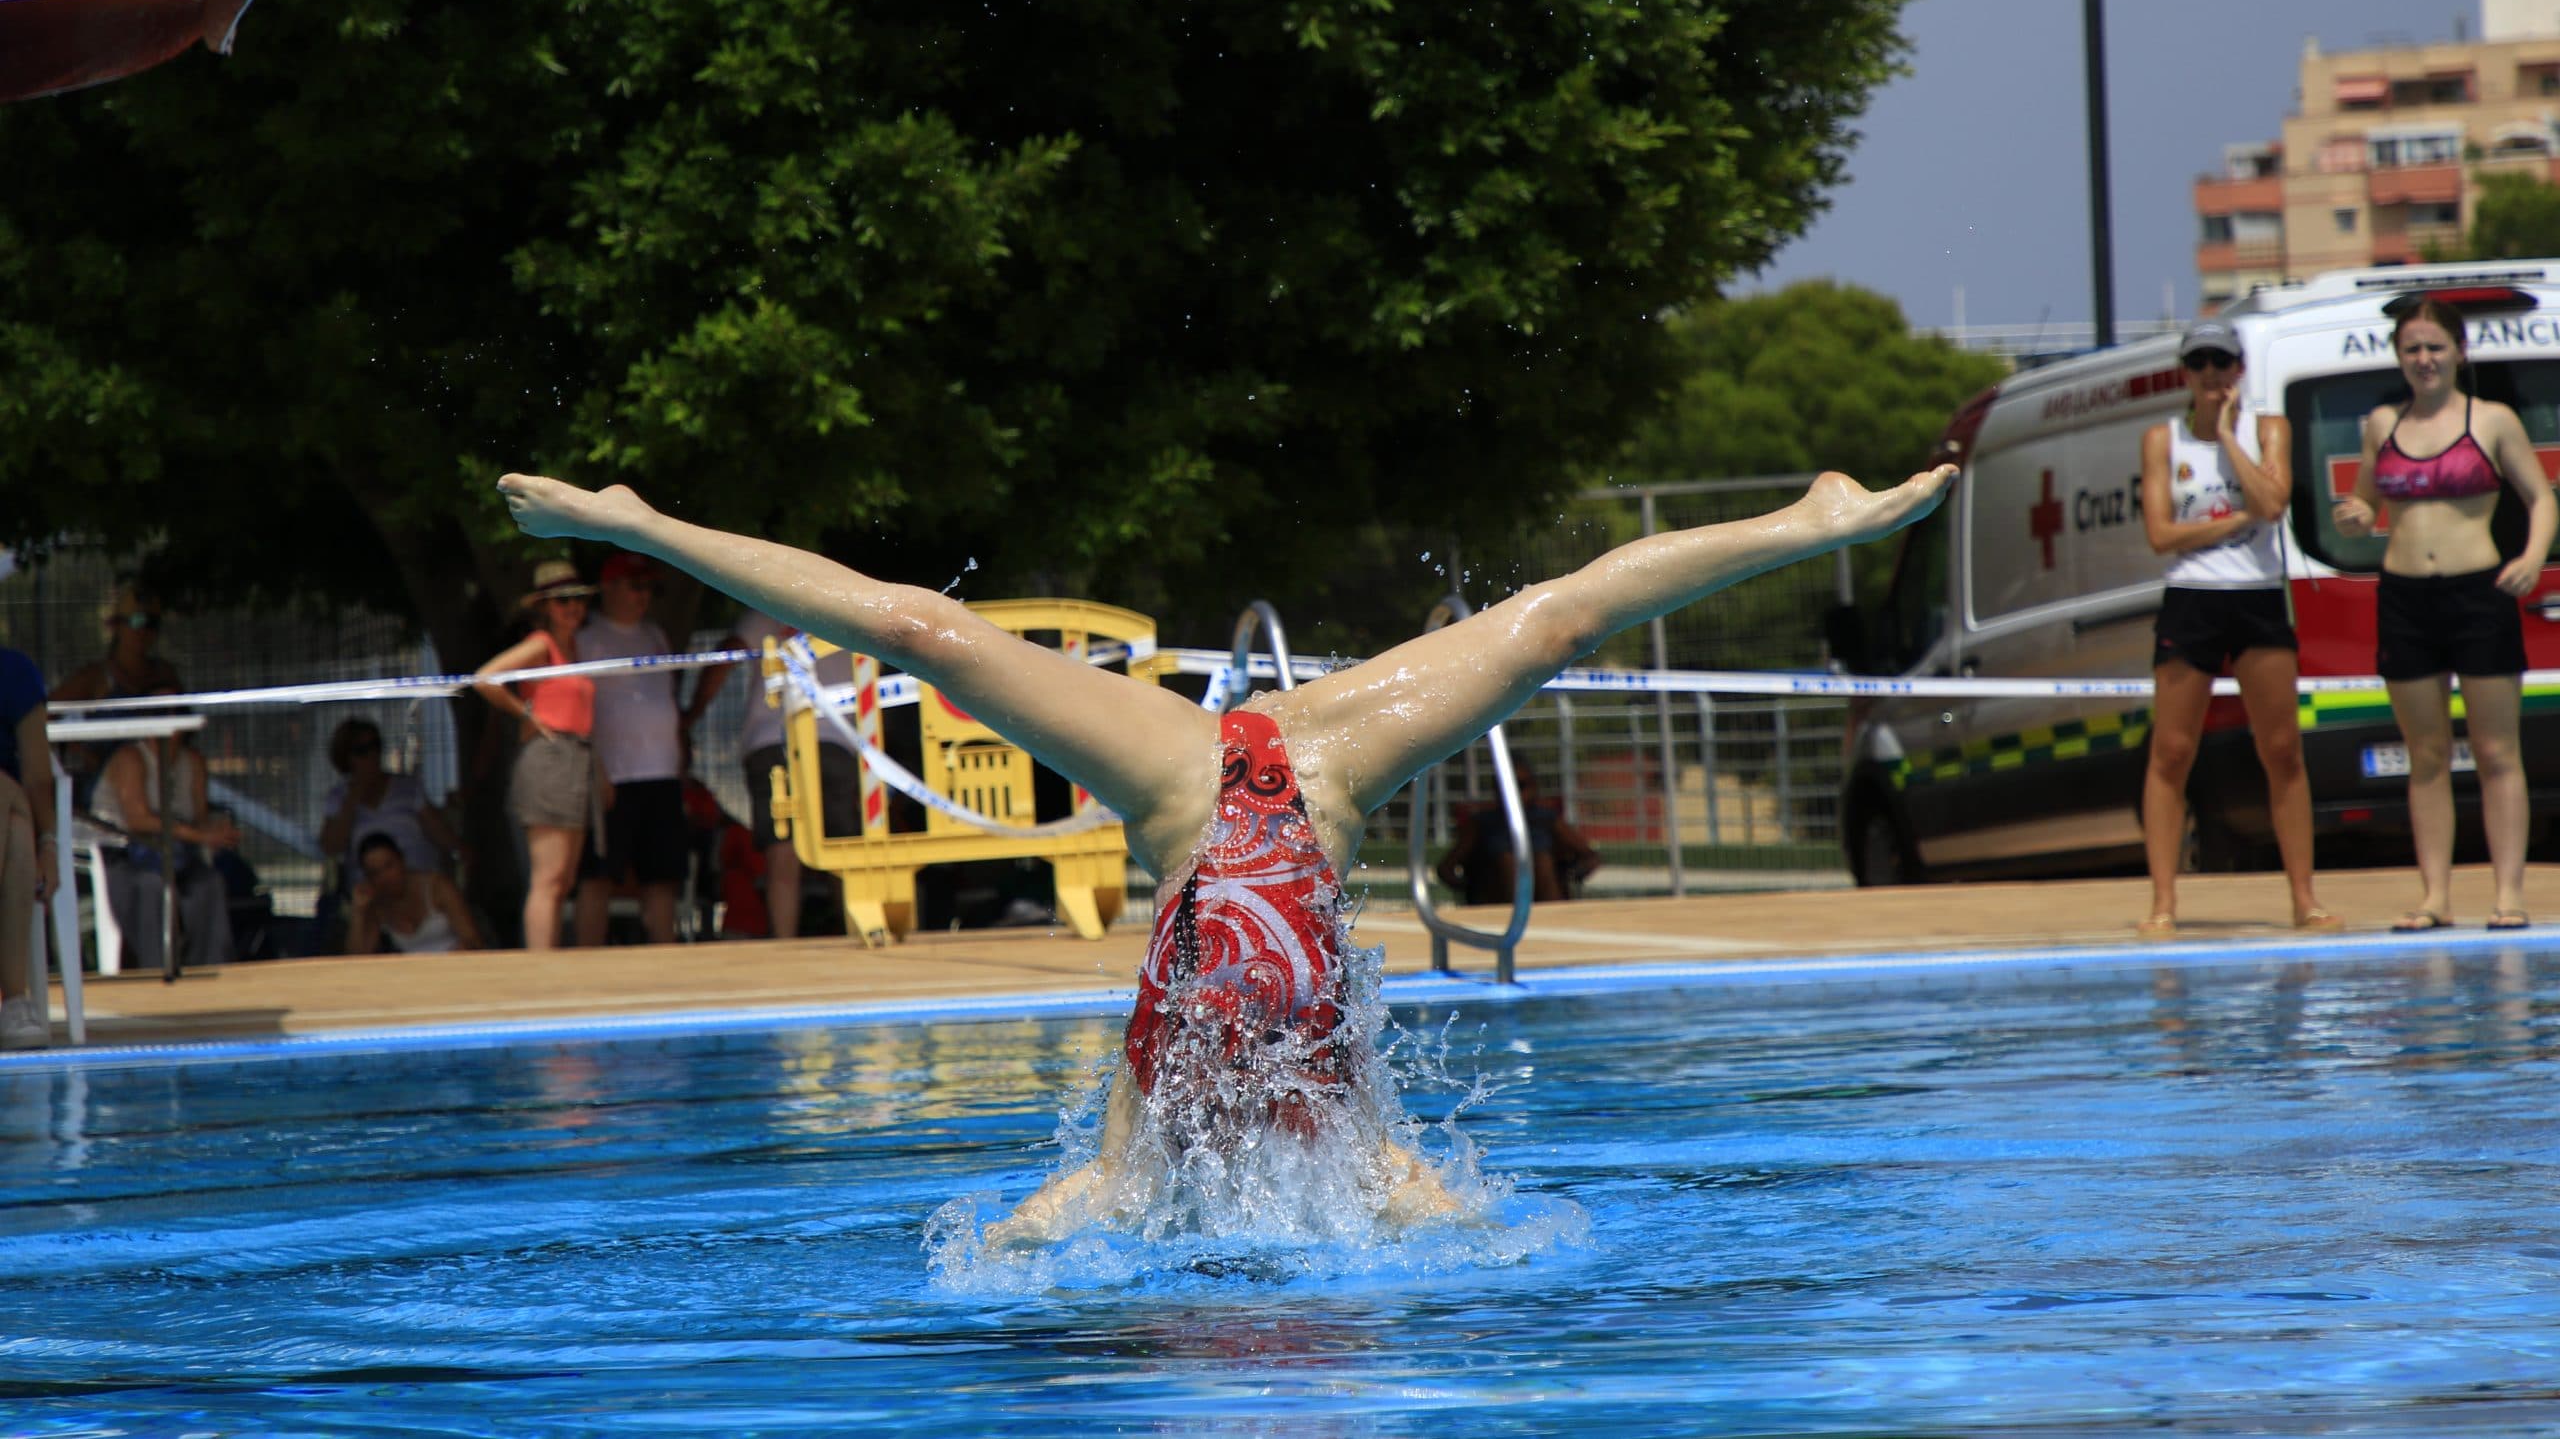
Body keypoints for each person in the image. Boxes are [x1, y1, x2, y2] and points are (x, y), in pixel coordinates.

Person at [495, 461, 1955, 1237]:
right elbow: (1477, 1236)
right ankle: (1806, 515)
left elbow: (1053, 1224)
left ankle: (1806, 514)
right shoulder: (1372, 1172)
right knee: (1549, 628)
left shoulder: (1136, 1166)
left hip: (1198, 782)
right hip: (1300, 772)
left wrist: (1010, 1251)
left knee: (923, 632)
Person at [2335, 298, 2555, 932]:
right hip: (2406, 596)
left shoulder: (2492, 421)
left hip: (2477, 594)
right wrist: (2356, 513)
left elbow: (2540, 497)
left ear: (2459, 352)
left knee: (2495, 750)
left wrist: (2533, 556)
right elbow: (2364, 499)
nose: (2424, 359)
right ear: (2398, 357)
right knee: (2426, 755)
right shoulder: (2382, 423)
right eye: (2412, 349)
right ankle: (2434, 896)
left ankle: (2508, 894)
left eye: (2435, 347)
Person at [2136, 316, 2337, 939]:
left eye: (2221, 364)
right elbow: (2161, 536)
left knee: (2281, 749)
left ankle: (2303, 898)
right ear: (2185, 374)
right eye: (2199, 366)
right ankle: (2164, 903)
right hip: (2192, 599)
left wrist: (2227, 438)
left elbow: (2274, 505)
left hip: (2255, 596)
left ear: (2239, 369)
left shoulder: (2265, 429)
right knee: (2171, 751)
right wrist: (2233, 521)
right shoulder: (2162, 440)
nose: (2211, 377)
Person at [684, 605, 864, 939]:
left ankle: (787, 944)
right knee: (843, 847)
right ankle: (855, 934)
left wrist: (691, 714)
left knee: (783, 850)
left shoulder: (767, 610)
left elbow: (727, 655)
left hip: (773, 742)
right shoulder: (850, 611)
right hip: (835, 740)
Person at [472, 560, 600, 951]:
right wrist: (525, 712)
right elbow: (486, 677)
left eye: (577, 599)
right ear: (544, 606)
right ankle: (540, 967)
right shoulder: (541, 643)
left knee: (564, 878)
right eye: (562, 600)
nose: (572, 607)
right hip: (549, 756)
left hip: (577, 756)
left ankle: (550, 959)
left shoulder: (576, 647)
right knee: (548, 877)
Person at [573, 554, 691, 945]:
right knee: (599, 875)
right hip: (615, 777)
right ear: (609, 587)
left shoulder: (656, 635)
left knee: (662, 876)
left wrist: (680, 765)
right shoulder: (586, 639)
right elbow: (579, 712)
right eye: (634, 585)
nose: (643, 596)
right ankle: (588, 963)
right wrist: (597, 772)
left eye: (648, 588)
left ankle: (665, 957)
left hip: (662, 774)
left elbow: (667, 699)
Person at [92, 714, 239, 970]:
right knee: (151, 888)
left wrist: (220, 831)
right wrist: (200, 836)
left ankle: (209, 968)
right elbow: (138, 820)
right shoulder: (131, 758)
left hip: (178, 855)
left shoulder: (192, 761)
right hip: (126, 856)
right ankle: (156, 970)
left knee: (210, 884)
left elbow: (200, 818)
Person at [48, 580, 183, 812]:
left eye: (152, 623)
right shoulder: (95, 677)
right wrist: (77, 750)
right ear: (116, 626)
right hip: (106, 790)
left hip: (158, 784)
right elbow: (41, 718)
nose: (143, 631)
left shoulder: (164, 674)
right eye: (136, 621)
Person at [318, 716, 468, 922]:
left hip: (421, 885)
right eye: (362, 750)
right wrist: (352, 799)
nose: (372, 755)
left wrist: (462, 853)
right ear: (346, 757)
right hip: (372, 892)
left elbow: (443, 836)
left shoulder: (408, 787)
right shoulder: (337, 798)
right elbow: (331, 847)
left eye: (376, 746)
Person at [1434, 764, 1602, 905]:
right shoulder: (1482, 824)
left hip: (1546, 896)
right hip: (1499, 901)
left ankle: (1545, 915)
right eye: (1506, 785)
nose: (1512, 792)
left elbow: (1590, 856)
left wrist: (1571, 873)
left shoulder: (1548, 820)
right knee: (1508, 860)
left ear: (1534, 788)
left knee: (1540, 860)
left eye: (1519, 786)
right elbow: (1446, 869)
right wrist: (1473, 886)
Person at [1, 644, 56, 1049]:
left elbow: (39, 775)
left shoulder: (13, 671)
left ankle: (15, 1000)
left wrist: (49, 845)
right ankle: (15, 998)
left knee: (19, 830)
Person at [344, 832, 485, 955]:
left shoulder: (437, 886)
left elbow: (473, 940)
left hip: (455, 968)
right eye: (375, 873)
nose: (385, 877)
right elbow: (357, 959)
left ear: (402, 860)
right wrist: (358, 912)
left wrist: (459, 954)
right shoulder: (377, 905)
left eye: (389, 865)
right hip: (413, 977)